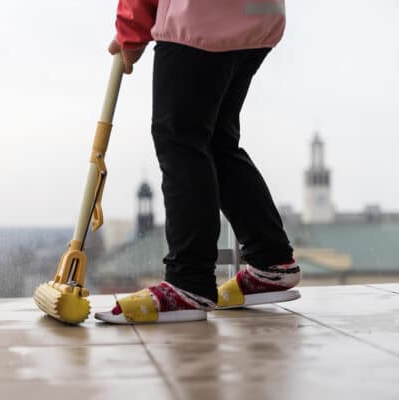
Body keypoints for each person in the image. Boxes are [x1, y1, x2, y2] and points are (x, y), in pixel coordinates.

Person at [96, 0, 301, 324]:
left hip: (198, 16)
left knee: (181, 139)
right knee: (215, 141)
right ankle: (271, 262)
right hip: (259, 12)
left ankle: (188, 281)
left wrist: (131, 30)